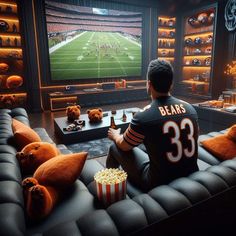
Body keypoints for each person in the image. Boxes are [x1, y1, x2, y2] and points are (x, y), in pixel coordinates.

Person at [106, 59, 199, 191]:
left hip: (158, 182)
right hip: (191, 173)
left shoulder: (143, 116)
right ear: (171, 84)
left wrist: (116, 135)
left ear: (149, 84)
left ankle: (109, 187)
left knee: (114, 147)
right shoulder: (190, 109)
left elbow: (124, 146)